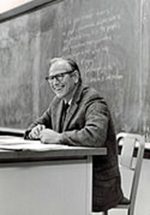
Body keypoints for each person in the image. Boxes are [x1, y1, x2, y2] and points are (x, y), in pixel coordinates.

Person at [24, 57, 124, 213]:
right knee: (35, 190)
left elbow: (95, 136)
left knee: (44, 195)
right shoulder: (58, 102)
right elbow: (35, 125)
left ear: (75, 77)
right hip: (71, 176)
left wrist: (58, 137)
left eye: (59, 76)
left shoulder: (93, 100)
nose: (54, 82)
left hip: (97, 183)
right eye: (51, 78)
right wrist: (34, 131)